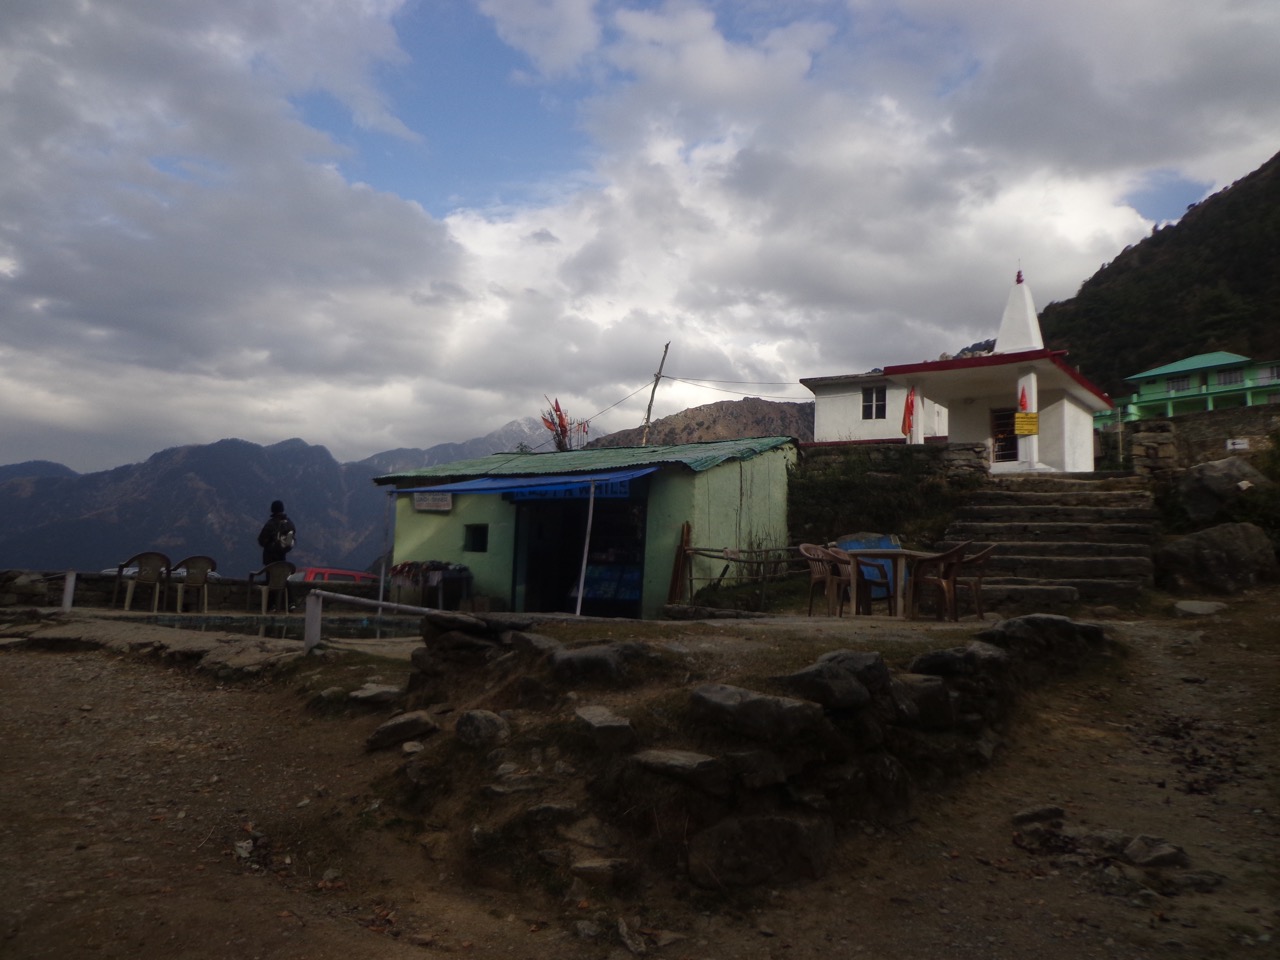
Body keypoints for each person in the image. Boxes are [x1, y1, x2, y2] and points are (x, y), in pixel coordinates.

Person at [256, 500, 297, 611]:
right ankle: (291, 603)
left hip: (270, 558)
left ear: (273, 510)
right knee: (284, 579)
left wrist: (269, 543)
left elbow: (261, 540)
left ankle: (271, 606)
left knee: (271, 581)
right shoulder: (289, 523)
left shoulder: (271, 524)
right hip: (283, 558)